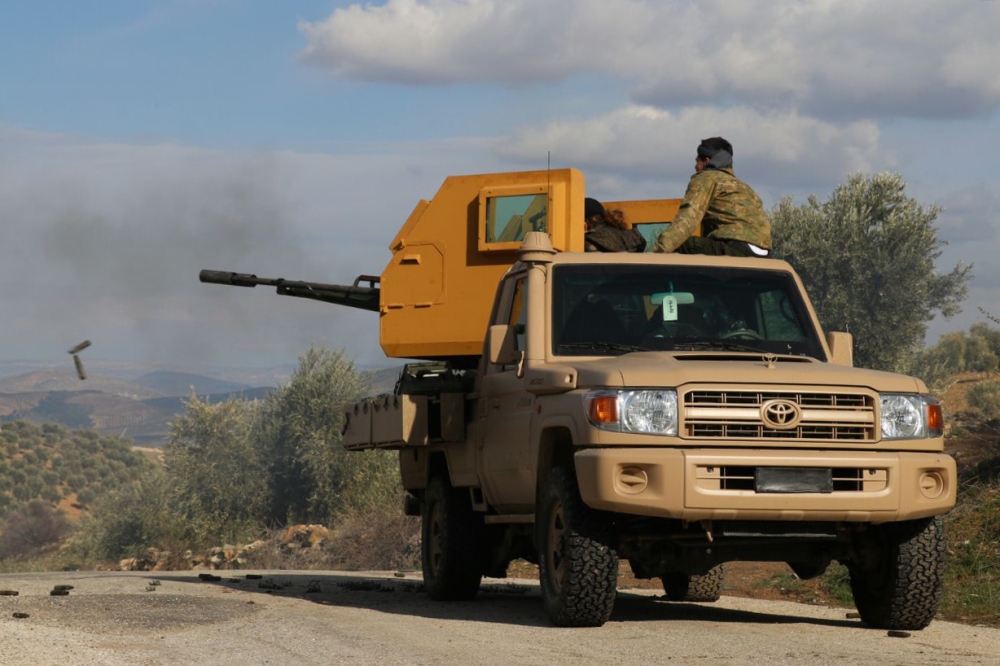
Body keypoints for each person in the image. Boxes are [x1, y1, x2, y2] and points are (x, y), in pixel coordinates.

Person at [653, 137, 771, 257]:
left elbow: (687, 219)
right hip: (764, 254)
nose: (695, 167)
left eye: (697, 162)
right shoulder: (744, 188)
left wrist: (658, 254)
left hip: (735, 248)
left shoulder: (707, 178)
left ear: (706, 161)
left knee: (681, 245)